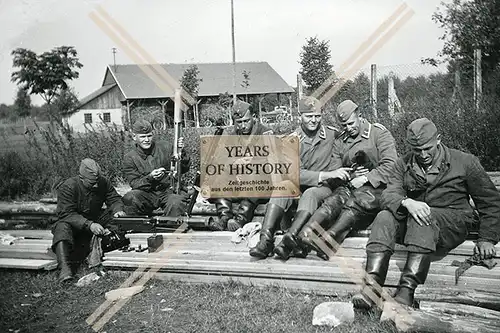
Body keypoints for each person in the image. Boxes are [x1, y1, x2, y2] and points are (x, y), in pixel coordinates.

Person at [352, 118, 500, 310]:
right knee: (384, 217)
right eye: (417, 150)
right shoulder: (403, 163)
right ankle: (371, 288)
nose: (423, 154)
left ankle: (406, 292)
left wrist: (487, 238)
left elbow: (490, 202)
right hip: (419, 225)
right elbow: (389, 194)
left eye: (427, 148)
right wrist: (407, 202)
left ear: (438, 139)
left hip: (453, 223)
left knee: (422, 216)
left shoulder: (465, 162)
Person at [274, 100, 398, 260]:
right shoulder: (341, 141)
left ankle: (329, 240)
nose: (348, 128)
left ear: (359, 115)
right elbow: (335, 169)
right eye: (344, 125)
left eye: (351, 123)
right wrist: (353, 175)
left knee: (358, 200)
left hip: (379, 188)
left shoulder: (378, 133)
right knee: (334, 200)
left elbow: (391, 165)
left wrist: (366, 177)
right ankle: (307, 233)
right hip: (352, 186)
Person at [249, 96, 352, 259]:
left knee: (310, 193)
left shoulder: (332, 134)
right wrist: (325, 174)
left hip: (323, 188)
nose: (314, 121)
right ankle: (265, 240)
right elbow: (293, 173)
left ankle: (287, 242)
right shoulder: (291, 140)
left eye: (317, 116)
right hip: (301, 183)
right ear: (300, 116)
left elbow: (347, 147)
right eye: (309, 116)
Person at [51, 158, 126, 282]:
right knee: (61, 227)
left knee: (120, 216)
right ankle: (64, 268)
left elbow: (114, 199)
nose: (96, 185)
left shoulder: (103, 182)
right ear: (81, 178)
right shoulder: (69, 186)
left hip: (95, 219)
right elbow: (66, 213)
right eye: (92, 183)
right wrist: (89, 225)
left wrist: (118, 210)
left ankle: (109, 244)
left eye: (97, 181)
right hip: (75, 224)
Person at [209, 99, 274, 232]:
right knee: (219, 177)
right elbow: (222, 159)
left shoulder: (265, 133)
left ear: (254, 118)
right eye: (239, 122)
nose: (243, 126)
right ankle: (224, 218)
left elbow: (271, 161)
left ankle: (241, 219)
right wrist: (234, 164)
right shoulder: (232, 135)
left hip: (262, 184)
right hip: (237, 183)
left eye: (246, 121)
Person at [122, 119, 190, 217]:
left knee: (176, 202)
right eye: (142, 137)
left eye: (149, 136)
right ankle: (138, 229)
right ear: (134, 137)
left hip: (169, 191)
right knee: (130, 198)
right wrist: (150, 177)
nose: (146, 140)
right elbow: (135, 183)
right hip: (147, 194)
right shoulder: (130, 158)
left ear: (152, 134)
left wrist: (181, 152)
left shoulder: (166, 147)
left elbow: (184, 169)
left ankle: (171, 229)